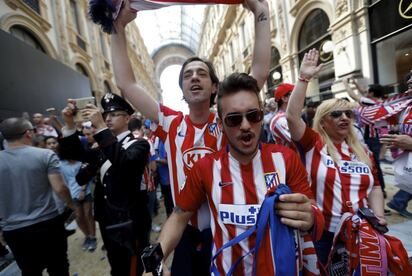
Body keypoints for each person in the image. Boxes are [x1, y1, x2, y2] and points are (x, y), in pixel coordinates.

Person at [111, 0, 270, 274]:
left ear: (215, 87)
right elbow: (127, 84)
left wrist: (260, 11)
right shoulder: (170, 123)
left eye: (201, 73)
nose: (194, 78)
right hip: (185, 231)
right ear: (182, 91)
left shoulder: (228, 119)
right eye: (187, 75)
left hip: (228, 229)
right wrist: (117, 27)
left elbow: (259, 71)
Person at [149, 73, 323, 276]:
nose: (246, 125)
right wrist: (153, 260)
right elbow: (179, 217)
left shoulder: (286, 159)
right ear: (221, 125)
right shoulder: (205, 168)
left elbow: (315, 215)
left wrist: (309, 216)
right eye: (234, 119)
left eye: (253, 115)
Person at [286, 49, 386, 265]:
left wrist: (379, 218)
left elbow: (376, 186)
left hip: (361, 232)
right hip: (323, 236)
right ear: (323, 121)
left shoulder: (363, 150)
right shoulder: (313, 144)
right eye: (336, 114)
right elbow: (292, 117)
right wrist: (304, 78)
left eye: (348, 114)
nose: (344, 118)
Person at [59, 93, 151, 276]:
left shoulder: (139, 144)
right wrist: (69, 124)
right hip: (107, 217)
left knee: (133, 266)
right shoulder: (103, 145)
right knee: (116, 263)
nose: (108, 118)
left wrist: (100, 127)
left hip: (130, 220)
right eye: (106, 115)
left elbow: (124, 163)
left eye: (115, 114)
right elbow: (74, 153)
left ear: (127, 118)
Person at [0, 117, 74, 276]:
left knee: (30, 271)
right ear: (28, 133)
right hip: (47, 223)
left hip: (14, 229)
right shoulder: (45, 155)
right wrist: (70, 204)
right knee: (59, 266)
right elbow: (60, 188)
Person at [381, 68, 412, 218]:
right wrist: (398, 141)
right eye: (409, 77)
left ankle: (398, 201)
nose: (409, 81)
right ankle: (399, 202)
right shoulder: (407, 105)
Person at [269, 83, 296, 150]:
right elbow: (301, 142)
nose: (299, 96)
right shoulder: (278, 120)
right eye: (295, 94)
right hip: (289, 159)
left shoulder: (294, 116)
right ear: (284, 98)